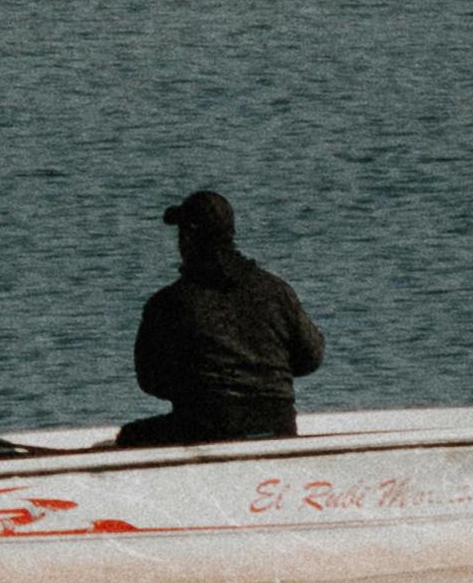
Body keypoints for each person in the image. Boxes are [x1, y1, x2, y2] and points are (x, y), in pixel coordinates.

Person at [116, 189, 321, 446]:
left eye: (180, 234)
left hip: (208, 427)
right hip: (278, 424)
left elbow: (150, 381)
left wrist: (195, 386)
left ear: (188, 238)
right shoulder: (277, 291)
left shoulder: (168, 303)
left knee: (129, 437)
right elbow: (311, 358)